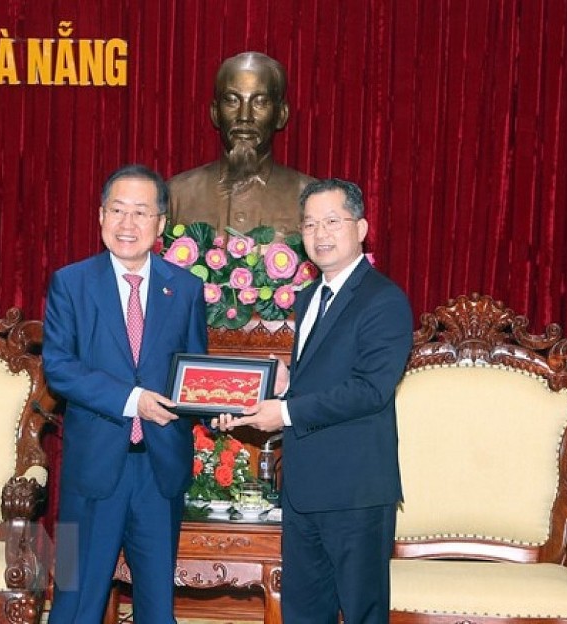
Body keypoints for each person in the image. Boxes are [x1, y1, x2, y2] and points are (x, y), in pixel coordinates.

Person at [217, 178, 413, 623]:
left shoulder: (383, 300)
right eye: (309, 225)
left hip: (355, 491)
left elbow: (370, 389)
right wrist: (288, 381)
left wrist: (283, 411)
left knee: (363, 614)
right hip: (305, 489)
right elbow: (327, 376)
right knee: (304, 614)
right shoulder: (310, 297)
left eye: (332, 222)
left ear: (361, 228)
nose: (320, 234)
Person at [43, 164, 208, 624]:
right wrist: (134, 400)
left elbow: (195, 374)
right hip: (87, 476)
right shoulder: (69, 284)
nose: (128, 224)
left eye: (141, 213)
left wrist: (226, 406)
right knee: (73, 599)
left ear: (160, 224)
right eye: (117, 210)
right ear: (100, 216)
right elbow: (59, 368)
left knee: (158, 608)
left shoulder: (187, 289)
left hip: (160, 475)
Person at [168, 51, 315, 238]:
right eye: (232, 101)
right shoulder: (177, 195)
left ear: (281, 115)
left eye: (260, 102)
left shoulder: (311, 197)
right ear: (215, 113)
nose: (244, 116)